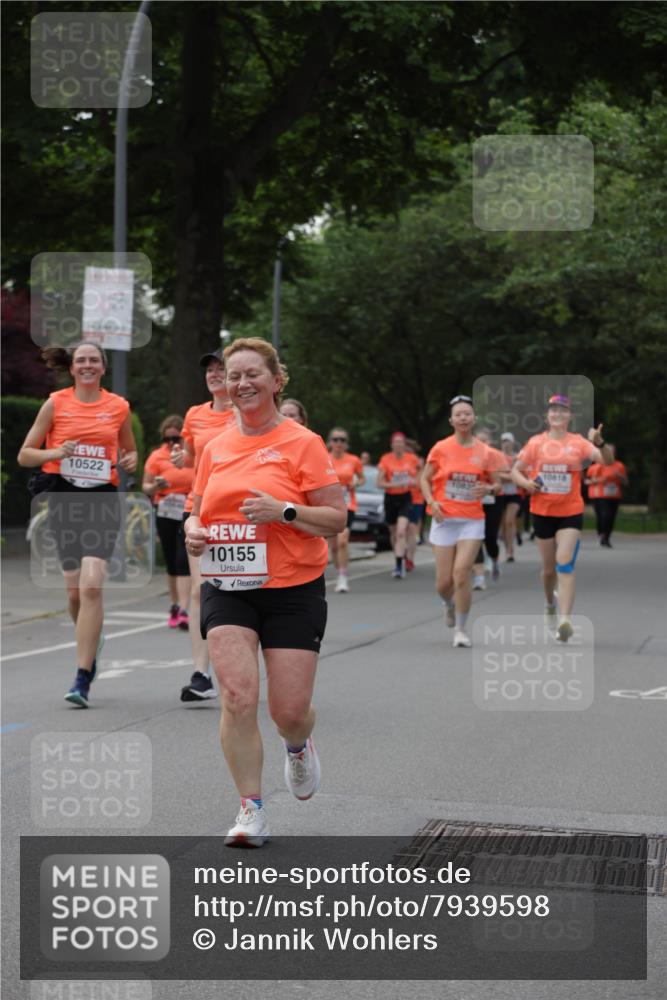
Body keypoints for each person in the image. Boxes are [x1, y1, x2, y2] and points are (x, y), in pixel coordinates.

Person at [185, 337, 346, 846]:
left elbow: (337, 519)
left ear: (277, 381)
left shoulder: (304, 443)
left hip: (293, 586)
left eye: (253, 373)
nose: (242, 383)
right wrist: (192, 528)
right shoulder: (215, 448)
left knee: (288, 711)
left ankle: (297, 746)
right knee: (236, 694)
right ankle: (250, 809)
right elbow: (197, 507)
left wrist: (285, 512)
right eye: (234, 376)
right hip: (229, 584)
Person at [17, 341, 137, 707]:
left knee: (91, 588)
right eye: (81, 360)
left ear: (103, 368)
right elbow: (25, 455)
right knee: (74, 594)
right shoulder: (56, 402)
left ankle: (82, 677)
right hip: (63, 500)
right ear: (72, 368)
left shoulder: (118, 407)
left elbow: (129, 452)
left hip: (102, 501)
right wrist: (56, 452)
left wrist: (129, 463)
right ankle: (90, 637)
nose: (87, 365)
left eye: (94, 360)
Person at [511, 394, 613, 641]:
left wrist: (600, 443)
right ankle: (549, 605)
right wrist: (526, 482)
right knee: (548, 571)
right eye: (553, 410)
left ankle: (565, 620)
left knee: (564, 562)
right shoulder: (536, 443)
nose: (557, 414)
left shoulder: (578, 443)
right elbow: (515, 470)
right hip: (542, 512)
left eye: (563, 410)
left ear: (570, 416)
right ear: (547, 416)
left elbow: (607, 462)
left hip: (570, 512)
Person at [171, 350, 236, 701]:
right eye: (209, 370)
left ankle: (242, 660)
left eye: (220, 369)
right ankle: (201, 673)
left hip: (240, 513)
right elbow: (194, 462)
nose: (214, 374)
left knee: (242, 588)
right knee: (200, 589)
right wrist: (184, 460)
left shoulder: (245, 415)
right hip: (198, 509)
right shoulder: (194, 415)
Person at [420, 396, 503, 648]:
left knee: (461, 574)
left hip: (471, 520)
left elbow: (498, 485)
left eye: (467, 413)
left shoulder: (485, 452)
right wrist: (432, 503)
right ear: (451, 420)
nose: (463, 417)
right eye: (459, 414)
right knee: (443, 583)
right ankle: (448, 604)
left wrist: (488, 489)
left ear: (474, 418)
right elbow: (424, 480)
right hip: (444, 518)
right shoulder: (440, 448)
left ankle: (461, 628)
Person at [142, 415, 193, 629]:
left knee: (183, 557)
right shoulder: (157, 456)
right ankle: (175, 605)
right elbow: (145, 486)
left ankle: (184, 608)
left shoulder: (191, 456)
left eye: (176, 438)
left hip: (188, 508)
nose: (172, 443)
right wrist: (155, 487)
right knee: (172, 559)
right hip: (165, 508)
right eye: (168, 439)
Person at [377, 432, 420, 579]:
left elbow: (422, 472)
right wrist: (395, 483)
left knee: (402, 531)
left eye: (401, 442)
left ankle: (398, 565)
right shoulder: (385, 459)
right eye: (396, 442)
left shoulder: (412, 459)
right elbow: (379, 483)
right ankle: (399, 554)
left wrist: (416, 481)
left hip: (405, 498)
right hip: (390, 498)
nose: (398, 445)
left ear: (404, 444)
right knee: (394, 533)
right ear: (392, 445)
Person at [327, 427, 365, 592]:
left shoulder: (353, 460)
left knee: (343, 540)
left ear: (346, 443)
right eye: (335, 439)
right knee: (334, 546)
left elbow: (362, 478)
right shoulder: (324, 458)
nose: (339, 443)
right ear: (330, 442)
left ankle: (343, 577)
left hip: (348, 504)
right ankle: (338, 570)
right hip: (328, 505)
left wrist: (356, 483)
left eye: (342, 440)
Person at [471, 428, 504, 589]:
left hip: (492, 501)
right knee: (475, 537)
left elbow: (506, 476)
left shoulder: (495, 455)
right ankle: (479, 577)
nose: (481, 444)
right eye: (478, 441)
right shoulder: (468, 456)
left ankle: (495, 559)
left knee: (490, 538)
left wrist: (488, 487)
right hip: (472, 503)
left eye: (484, 441)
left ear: (490, 442)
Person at [585, 445, 627, 547]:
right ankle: (602, 535)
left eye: (612, 452)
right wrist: (599, 480)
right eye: (608, 451)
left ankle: (606, 537)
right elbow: (586, 481)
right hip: (599, 495)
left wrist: (620, 476)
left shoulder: (619, 466)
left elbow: (626, 482)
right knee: (603, 516)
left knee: (611, 517)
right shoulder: (596, 466)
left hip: (614, 495)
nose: (610, 454)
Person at [498, 431, 522, 562]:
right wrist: (511, 476)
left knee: (509, 521)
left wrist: (508, 476)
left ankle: (510, 551)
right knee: (503, 524)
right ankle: (507, 548)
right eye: (504, 441)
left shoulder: (518, 458)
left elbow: (522, 475)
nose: (506, 444)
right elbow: (496, 475)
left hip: (514, 494)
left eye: (508, 441)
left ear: (513, 442)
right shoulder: (497, 457)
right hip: (501, 494)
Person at [405, 439, 425, 571]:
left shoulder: (418, 462)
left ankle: (410, 557)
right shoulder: (397, 461)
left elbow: (422, 480)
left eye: (408, 450)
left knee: (411, 528)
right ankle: (402, 554)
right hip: (401, 498)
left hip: (416, 499)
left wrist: (414, 480)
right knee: (400, 531)